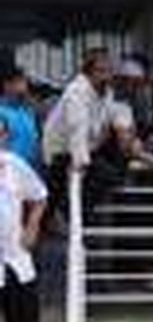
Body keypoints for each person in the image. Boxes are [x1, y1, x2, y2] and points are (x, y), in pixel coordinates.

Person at [0, 118, 49, 322]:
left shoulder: (14, 165)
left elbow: (40, 195)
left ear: (5, 137)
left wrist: (32, 226)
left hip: (15, 257)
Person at [42, 47, 113, 213]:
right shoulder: (77, 91)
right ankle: (64, 215)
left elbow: (103, 122)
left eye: (108, 70)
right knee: (57, 193)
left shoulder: (106, 92)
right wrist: (80, 162)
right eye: (101, 71)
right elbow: (77, 128)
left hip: (87, 147)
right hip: (61, 151)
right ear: (89, 72)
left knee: (106, 175)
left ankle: (68, 214)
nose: (106, 75)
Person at [0, 67, 41, 171]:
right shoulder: (2, 113)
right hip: (10, 174)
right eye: (19, 82)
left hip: (30, 172)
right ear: (7, 85)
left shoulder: (27, 111)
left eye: (24, 82)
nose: (24, 86)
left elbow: (35, 141)